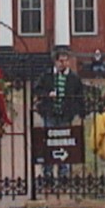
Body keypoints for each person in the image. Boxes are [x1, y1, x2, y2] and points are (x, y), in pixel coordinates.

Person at [34, 49, 85, 180]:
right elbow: (37, 89)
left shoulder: (73, 78)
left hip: (65, 115)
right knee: (49, 142)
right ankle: (48, 172)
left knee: (65, 143)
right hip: (50, 114)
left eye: (66, 60)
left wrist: (78, 112)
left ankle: (63, 173)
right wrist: (47, 95)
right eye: (61, 61)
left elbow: (79, 96)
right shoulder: (47, 76)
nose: (63, 63)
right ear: (55, 61)